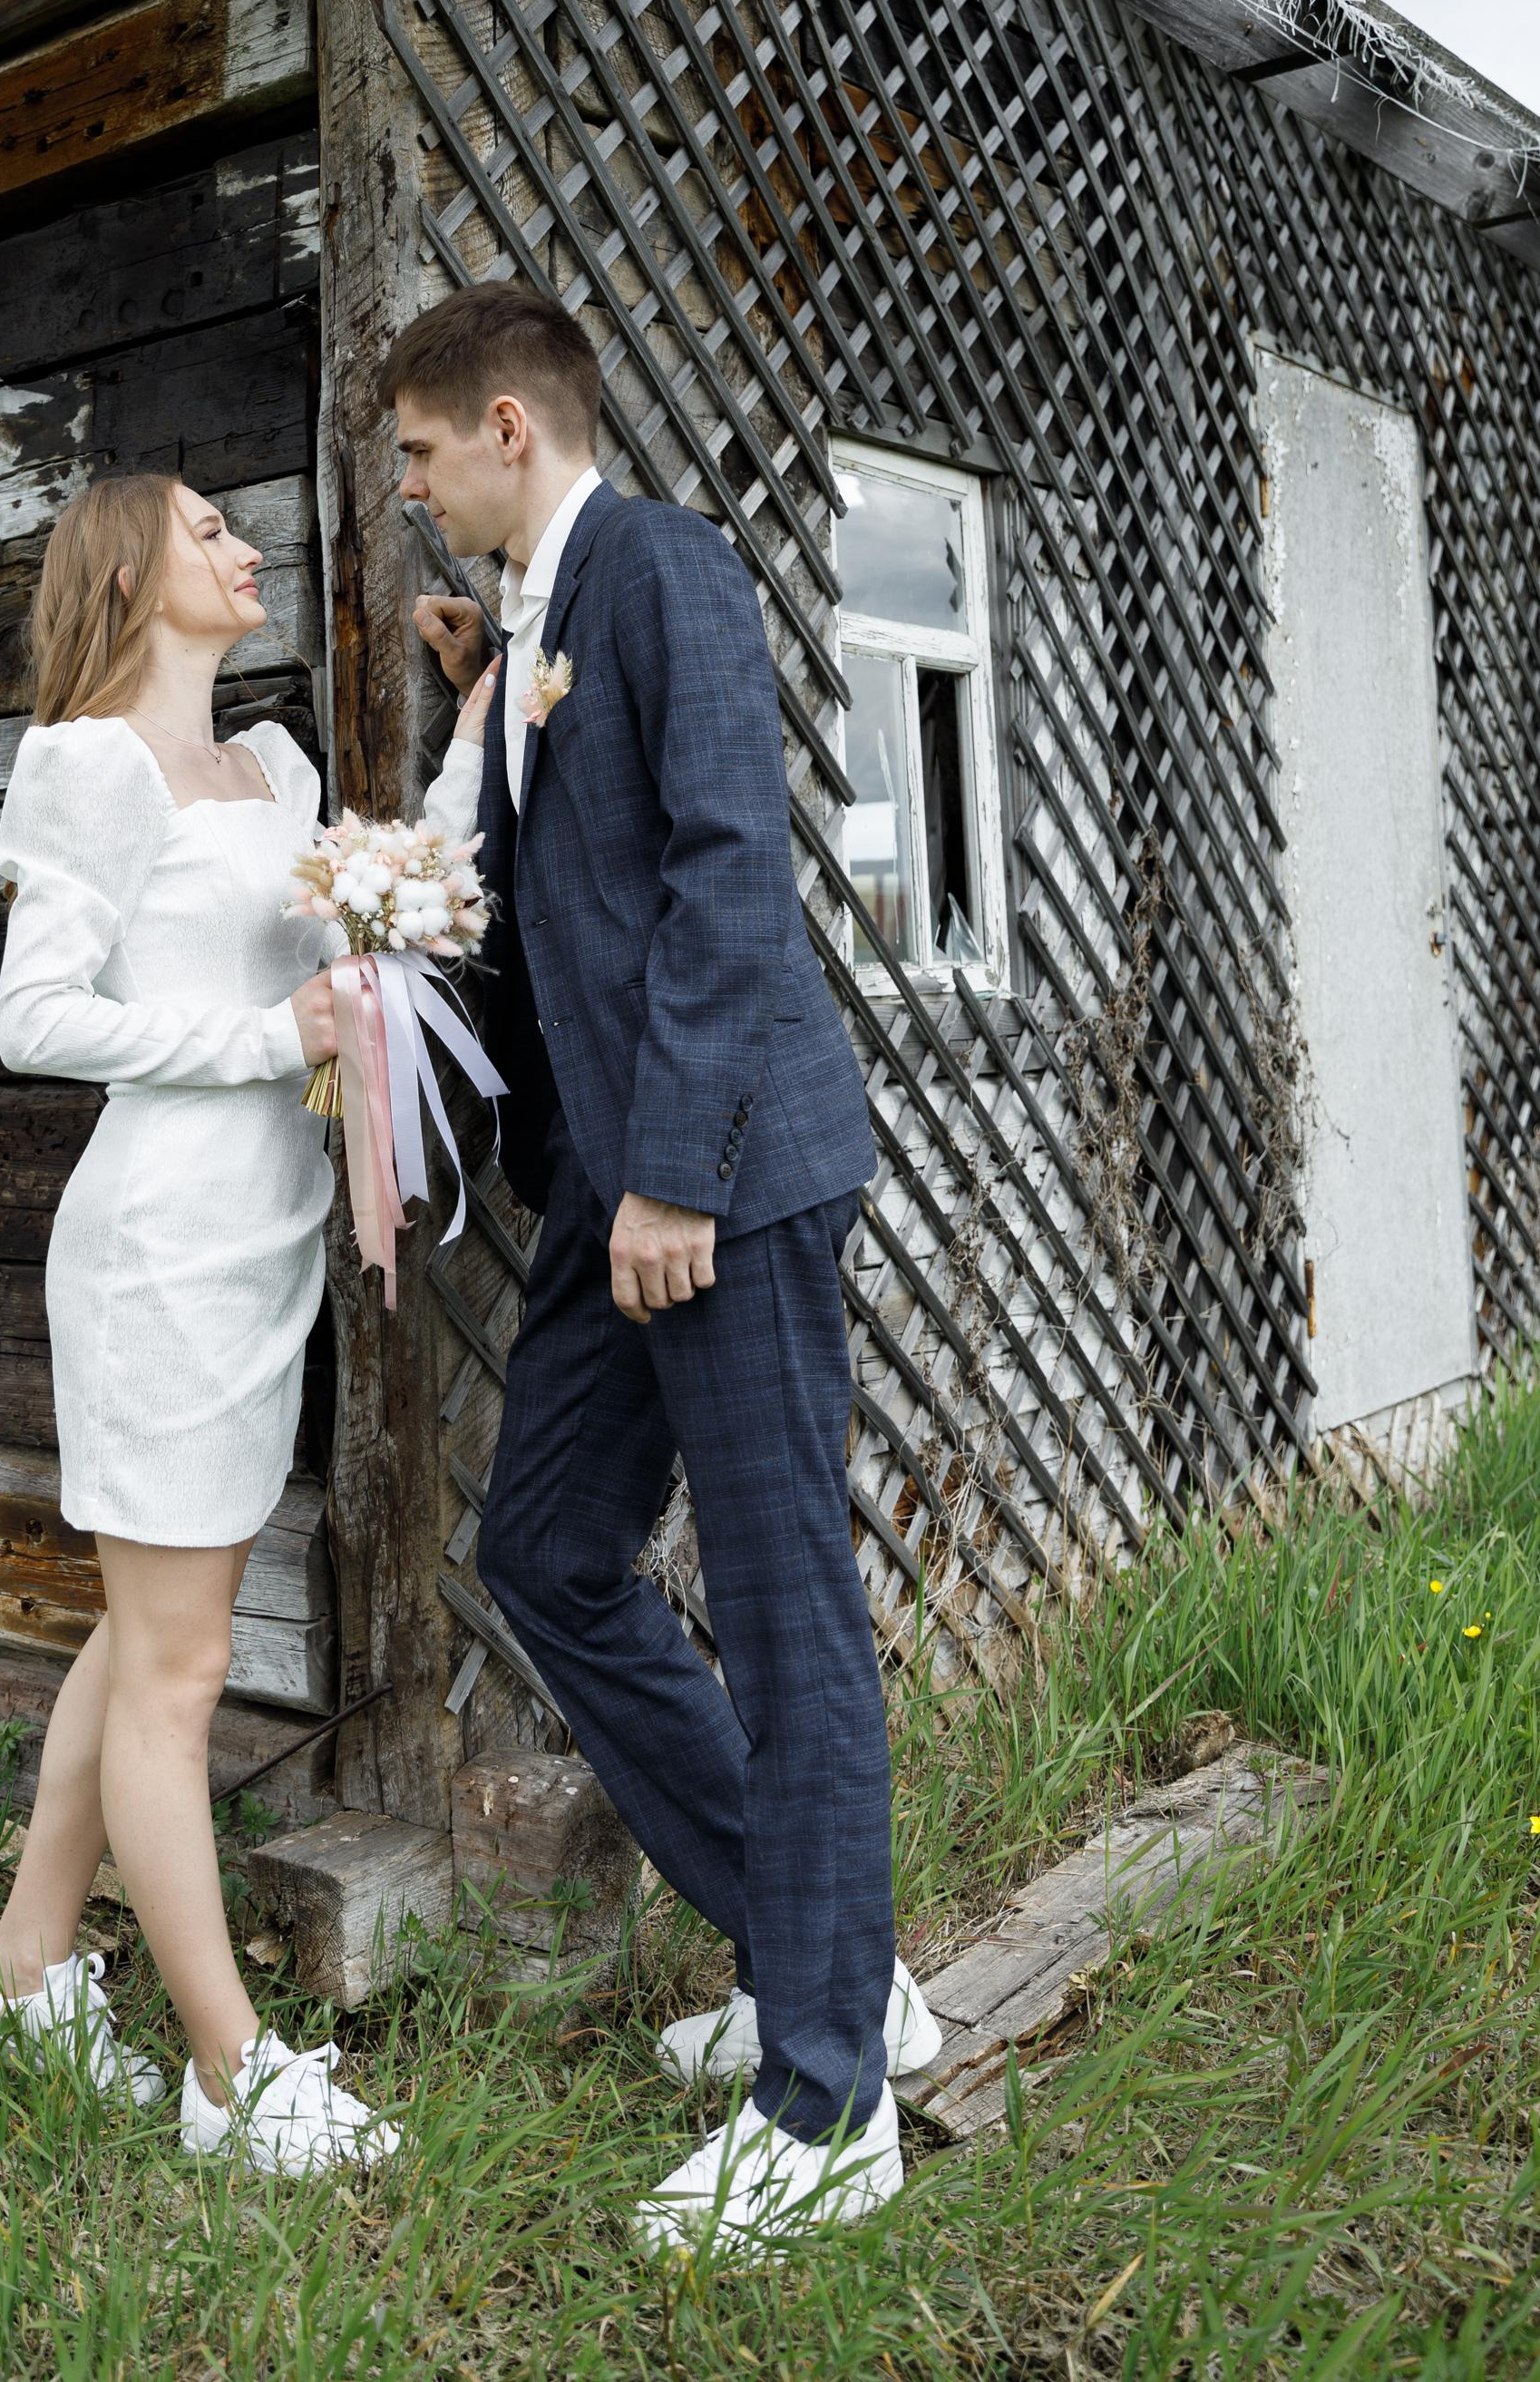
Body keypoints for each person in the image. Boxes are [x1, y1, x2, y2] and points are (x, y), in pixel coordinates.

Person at [389, 282, 940, 2254]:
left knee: (788, 1613)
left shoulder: (672, 571)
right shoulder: (535, 620)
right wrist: (482, 699)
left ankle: (825, 2107)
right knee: (543, 1550)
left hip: (719, 1181)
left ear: (514, 425)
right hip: (607, 1187)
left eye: (425, 452)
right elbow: (561, 872)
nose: (414, 486)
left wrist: (683, 1174)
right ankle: (832, 1956)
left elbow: (727, 876)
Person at [0, 471, 488, 2175]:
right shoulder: (86, 767)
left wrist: (475, 743)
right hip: (159, 1252)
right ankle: (229, 2073)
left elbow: (351, 940)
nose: (243, 548)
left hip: (265, 1247)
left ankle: (26, 1972)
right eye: (206, 532)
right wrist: (280, 1038)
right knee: (179, 1665)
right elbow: (35, 1020)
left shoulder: (275, 769)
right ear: (126, 566)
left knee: (139, 1632)